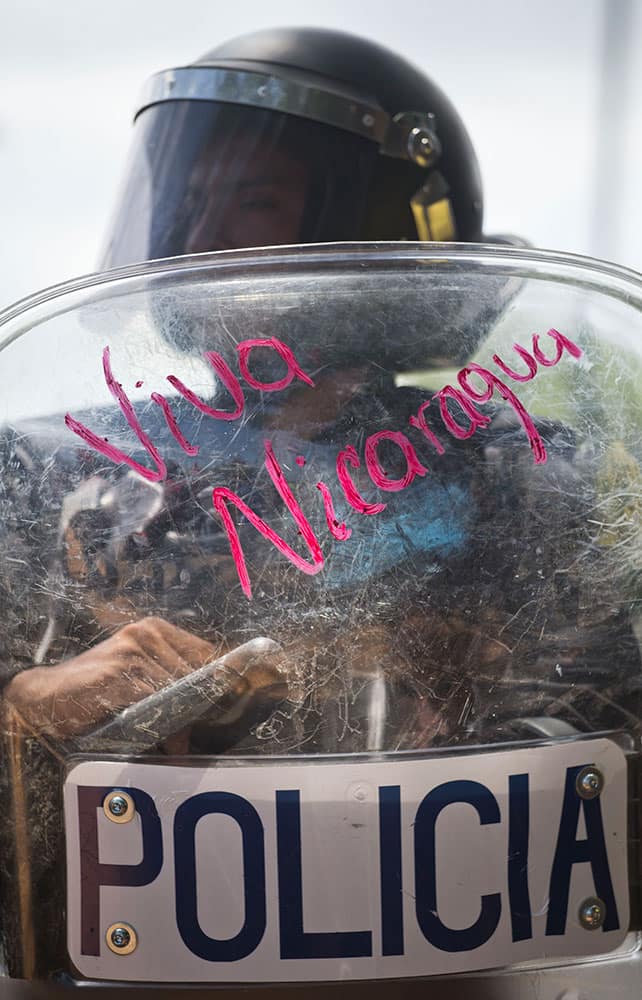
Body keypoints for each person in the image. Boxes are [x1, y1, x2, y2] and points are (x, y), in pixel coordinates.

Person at [0, 25, 640, 990]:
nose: (198, 237)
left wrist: (473, 691)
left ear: (382, 222)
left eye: (250, 201)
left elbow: (611, 746)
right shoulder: (68, 481)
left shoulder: (528, 477)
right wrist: (29, 706)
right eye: (187, 203)